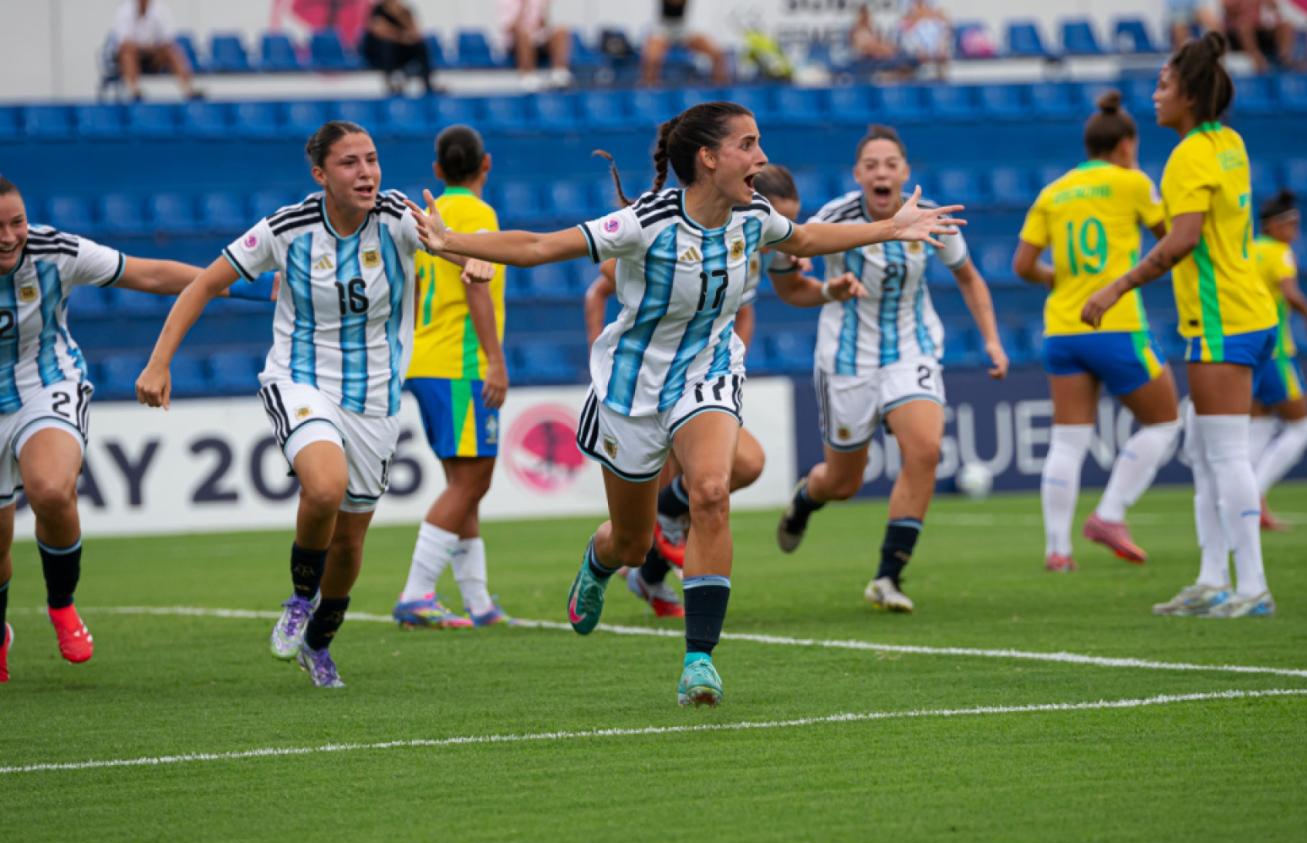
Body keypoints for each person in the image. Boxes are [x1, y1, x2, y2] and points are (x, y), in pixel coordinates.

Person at [408, 102, 962, 706]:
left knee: (711, 491)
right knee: (632, 542)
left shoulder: (754, 216)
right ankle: (600, 563)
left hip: (709, 372)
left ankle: (699, 659)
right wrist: (450, 240)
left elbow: (806, 238)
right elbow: (543, 245)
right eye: (748, 145)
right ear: (708, 157)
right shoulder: (645, 222)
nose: (762, 158)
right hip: (633, 387)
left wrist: (891, 227)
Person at [135, 122, 492, 688]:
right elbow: (204, 283)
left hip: (374, 398)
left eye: (372, 159)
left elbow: (445, 243)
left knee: (351, 542)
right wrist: (159, 362)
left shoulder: (397, 216)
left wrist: (466, 257)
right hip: (300, 381)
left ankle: (319, 640)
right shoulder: (287, 228)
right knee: (324, 485)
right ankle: (301, 598)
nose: (367, 172)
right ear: (321, 175)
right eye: (350, 163)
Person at [581, 164, 863, 618]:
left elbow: (789, 291)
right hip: (648, 383)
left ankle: (652, 575)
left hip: (703, 379)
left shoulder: (760, 236)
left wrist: (830, 290)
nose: (784, 237)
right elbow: (604, 283)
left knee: (730, 475)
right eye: (780, 219)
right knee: (685, 498)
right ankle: (640, 566)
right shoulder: (674, 234)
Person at [1082, 32, 1278, 618]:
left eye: (1164, 84)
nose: (1155, 94)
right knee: (1201, 448)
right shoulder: (1227, 143)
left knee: (1225, 455)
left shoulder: (1189, 155)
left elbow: (1182, 240)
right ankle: (1214, 578)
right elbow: (1192, 225)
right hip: (1247, 311)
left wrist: (1116, 285)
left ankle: (1252, 588)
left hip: (1222, 320)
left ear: (1190, 94)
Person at [775, 124, 1005, 614]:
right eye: (871, 165)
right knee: (843, 483)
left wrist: (991, 339)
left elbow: (970, 278)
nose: (881, 172)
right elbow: (790, 274)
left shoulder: (928, 219)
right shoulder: (834, 218)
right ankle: (806, 500)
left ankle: (887, 576)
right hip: (845, 359)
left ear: (905, 172)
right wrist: (811, 283)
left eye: (891, 163)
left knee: (923, 449)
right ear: (858, 174)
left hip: (911, 349)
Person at [0, 175, 215, 683]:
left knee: (51, 490)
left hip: (45, 383)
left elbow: (149, 274)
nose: (10, 236)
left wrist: (225, 280)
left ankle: (62, 605)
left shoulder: (55, 251)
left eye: (17, 222)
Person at [1014, 91, 1182, 572]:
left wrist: (1058, 280)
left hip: (1062, 330)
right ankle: (1109, 514)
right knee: (1165, 421)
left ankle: (1057, 549)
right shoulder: (1131, 182)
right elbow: (1171, 238)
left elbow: (1022, 264)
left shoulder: (1054, 191)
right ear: (1127, 145)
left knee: (1067, 441)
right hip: (1115, 323)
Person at [393, 125, 511, 630]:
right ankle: (417, 593)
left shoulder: (427, 216)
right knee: (472, 481)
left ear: (438, 172)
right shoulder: (479, 214)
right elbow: (477, 282)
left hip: (423, 359)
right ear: (486, 164)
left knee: (463, 483)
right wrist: (495, 360)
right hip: (459, 363)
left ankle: (478, 602)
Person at [1248, 189, 1307, 529]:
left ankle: (1248, 503)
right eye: (1291, 224)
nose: (1294, 231)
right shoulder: (1280, 252)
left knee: (1259, 427)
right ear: (1274, 225)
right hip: (1276, 352)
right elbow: (1290, 292)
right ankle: (1253, 496)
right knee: (1302, 427)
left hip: (1249, 351)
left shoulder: (1246, 250)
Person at [111, 0, 202, 101]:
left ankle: (188, 90)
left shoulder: (160, 9)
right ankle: (134, 92)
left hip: (153, 56)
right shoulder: (124, 10)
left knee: (172, 51)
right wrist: (147, 47)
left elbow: (169, 39)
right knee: (127, 54)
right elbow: (124, 44)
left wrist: (149, 48)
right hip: (132, 56)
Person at [641, 0, 729, 86]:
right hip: (662, 28)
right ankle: (650, 91)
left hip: (683, 28)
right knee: (651, 59)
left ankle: (720, 90)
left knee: (717, 55)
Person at [360, 0, 437, 95]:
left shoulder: (405, 11)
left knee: (421, 46)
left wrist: (399, 15)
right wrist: (402, 37)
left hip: (399, 52)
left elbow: (415, 33)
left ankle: (427, 84)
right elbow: (380, 31)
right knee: (388, 45)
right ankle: (391, 82)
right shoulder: (378, 10)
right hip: (379, 54)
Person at [499, 0, 574, 90]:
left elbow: (543, 25)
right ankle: (528, 76)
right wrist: (525, 7)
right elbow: (510, 28)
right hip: (515, 42)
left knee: (561, 30)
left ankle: (559, 73)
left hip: (536, 39)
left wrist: (544, 9)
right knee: (523, 34)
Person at [1222, 0, 1296, 73]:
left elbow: (1274, 7)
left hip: (1259, 26)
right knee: (1244, 26)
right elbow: (1227, 8)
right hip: (1237, 29)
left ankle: (1285, 60)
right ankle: (1257, 59)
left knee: (1285, 26)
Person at [900, 0, 953, 78]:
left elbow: (946, 24)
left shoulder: (935, 12)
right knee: (911, 33)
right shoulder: (907, 9)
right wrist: (919, 50)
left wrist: (942, 47)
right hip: (916, 44)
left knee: (937, 29)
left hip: (936, 47)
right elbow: (905, 23)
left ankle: (940, 76)